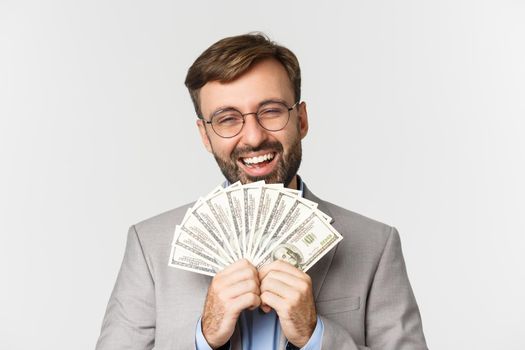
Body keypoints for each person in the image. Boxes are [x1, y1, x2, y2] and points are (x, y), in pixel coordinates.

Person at [96, 33, 428, 350]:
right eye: (228, 119)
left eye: (270, 111)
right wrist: (204, 335)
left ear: (301, 119)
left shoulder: (375, 246)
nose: (253, 137)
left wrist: (316, 337)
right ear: (205, 135)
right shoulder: (149, 246)